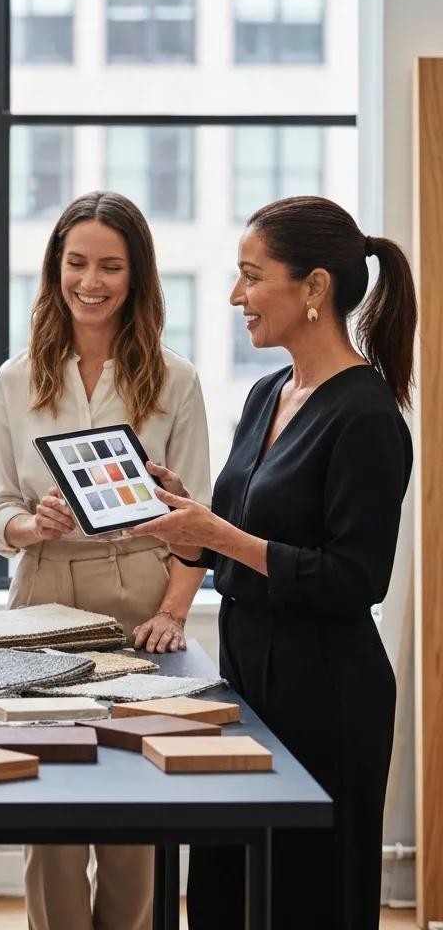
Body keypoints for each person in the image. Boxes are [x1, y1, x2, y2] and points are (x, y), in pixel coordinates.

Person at [127, 196, 415, 930]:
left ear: (314, 287)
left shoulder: (367, 416)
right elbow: (253, 532)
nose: (235, 296)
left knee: (302, 899)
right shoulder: (269, 393)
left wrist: (219, 536)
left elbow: (354, 579)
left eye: (252, 276)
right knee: (223, 892)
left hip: (325, 697)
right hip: (250, 682)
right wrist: (190, 518)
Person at [0, 190, 212, 930]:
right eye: (76, 263)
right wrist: (32, 524)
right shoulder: (15, 379)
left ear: (136, 274)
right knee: (50, 809)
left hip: (141, 590)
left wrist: (173, 610)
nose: (91, 282)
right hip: (43, 593)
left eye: (110, 266)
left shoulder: (175, 379)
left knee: (133, 811)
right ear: (55, 268)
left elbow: (198, 518)